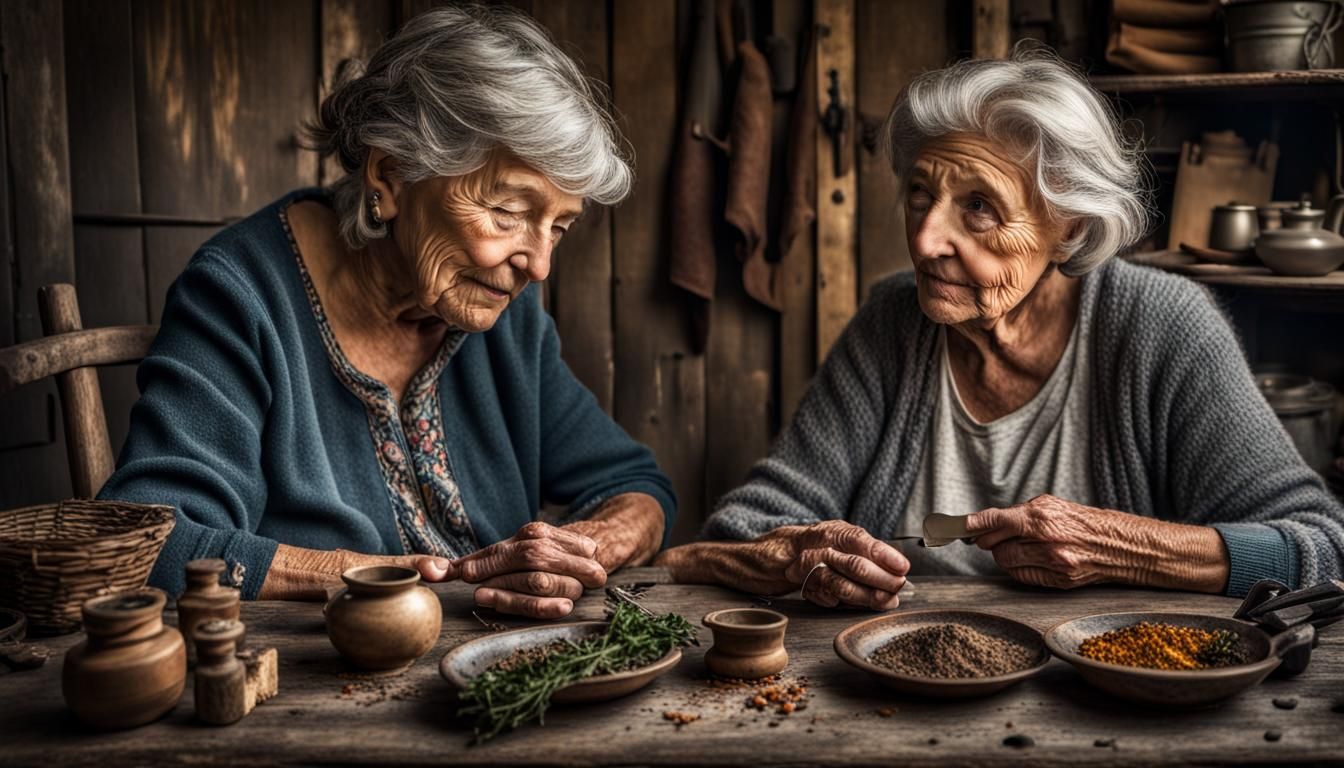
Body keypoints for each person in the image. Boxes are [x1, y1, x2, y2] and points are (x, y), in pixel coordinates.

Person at [656, 48, 1344, 605]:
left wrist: (1125, 547)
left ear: (1068, 227)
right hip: (891, 682)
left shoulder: (1164, 328)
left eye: (979, 208)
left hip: (1113, 692)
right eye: (920, 194)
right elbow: (749, 526)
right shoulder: (891, 323)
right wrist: (798, 555)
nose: (926, 240)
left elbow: (1322, 545)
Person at [99, 5, 674, 618]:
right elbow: (151, 541)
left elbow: (635, 486)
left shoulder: (506, 315)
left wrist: (580, 550)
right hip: (310, 668)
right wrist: (385, 579)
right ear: (392, 177)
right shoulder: (241, 295)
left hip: (499, 659)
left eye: (558, 227)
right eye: (508, 212)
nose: (538, 265)